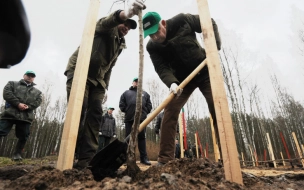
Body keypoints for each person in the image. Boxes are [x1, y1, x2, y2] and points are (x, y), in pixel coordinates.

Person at [64, 0, 146, 169]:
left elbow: (110, 67)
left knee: (95, 113)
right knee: (79, 109)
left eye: (130, 27)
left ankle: (86, 159)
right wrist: (125, 14)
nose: (126, 28)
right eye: (125, 24)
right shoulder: (106, 28)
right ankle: (69, 153)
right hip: (80, 70)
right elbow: (105, 22)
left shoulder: (121, 45)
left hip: (99, 80)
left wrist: (105, 87)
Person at [143, 12, 221, 165]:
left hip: (204, 70)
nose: (155, 37)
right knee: (170, 111)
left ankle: (228, 156)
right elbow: (161, 67)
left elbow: (208, 22)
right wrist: (172, 83)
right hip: (182, 80)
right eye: (151, 35)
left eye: (156, 31)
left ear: (163, 23)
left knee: (217, 106)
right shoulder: (152, 47)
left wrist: (214, 46)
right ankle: (165, 160)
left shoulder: (182, 20)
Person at [0, 71, 42, 160]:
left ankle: (17, 154)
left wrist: (28, 107)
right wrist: (18, 103)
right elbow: (7, 94)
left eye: (32, 76)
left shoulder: (37, 92)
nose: (30, 77)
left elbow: (38, 102)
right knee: (0, 131)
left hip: (25, 117)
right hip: (9, 113)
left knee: (24, 136)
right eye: (28, 75)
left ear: (34, 78)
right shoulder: (12, 83)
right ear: (24, 76)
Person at [119, 77, 152, 165]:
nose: (137, 83)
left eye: (139, 82)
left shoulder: (145, 94)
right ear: (132, 83)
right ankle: (126, 158)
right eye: (136, 82)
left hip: (141, 120)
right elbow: (121, 104)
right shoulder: (126, 93)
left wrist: (144, 113)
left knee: (141, 138)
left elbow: (149, 106)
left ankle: (143, 158)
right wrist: (128, 110)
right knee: (128, 139)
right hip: (129, 119)